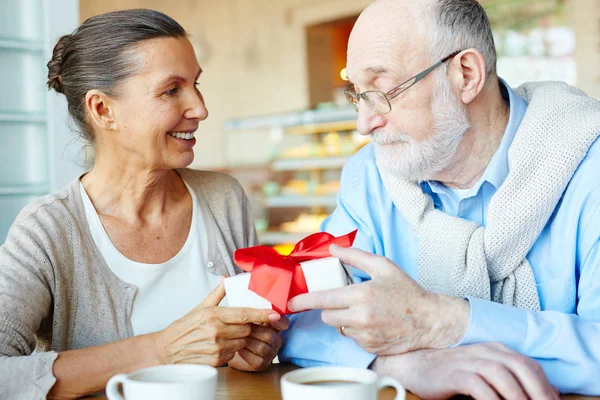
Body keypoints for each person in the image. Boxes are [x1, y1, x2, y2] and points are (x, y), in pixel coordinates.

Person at [279, 0, 600, 398]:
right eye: (358, 96)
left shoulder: (590, 167)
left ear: (466, 75)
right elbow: (299, 315)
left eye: (381, 90)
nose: (364, 123)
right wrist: (401, 363)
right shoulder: (369, 177)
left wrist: (447, 321)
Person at [0, 9, 287, 399]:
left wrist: (255, 349)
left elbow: (256, 340)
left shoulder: (224, 198)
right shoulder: (47, 229)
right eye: (171, 90)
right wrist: (162, 349)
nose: (200, 108)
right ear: (103, 110)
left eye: (195, 84)